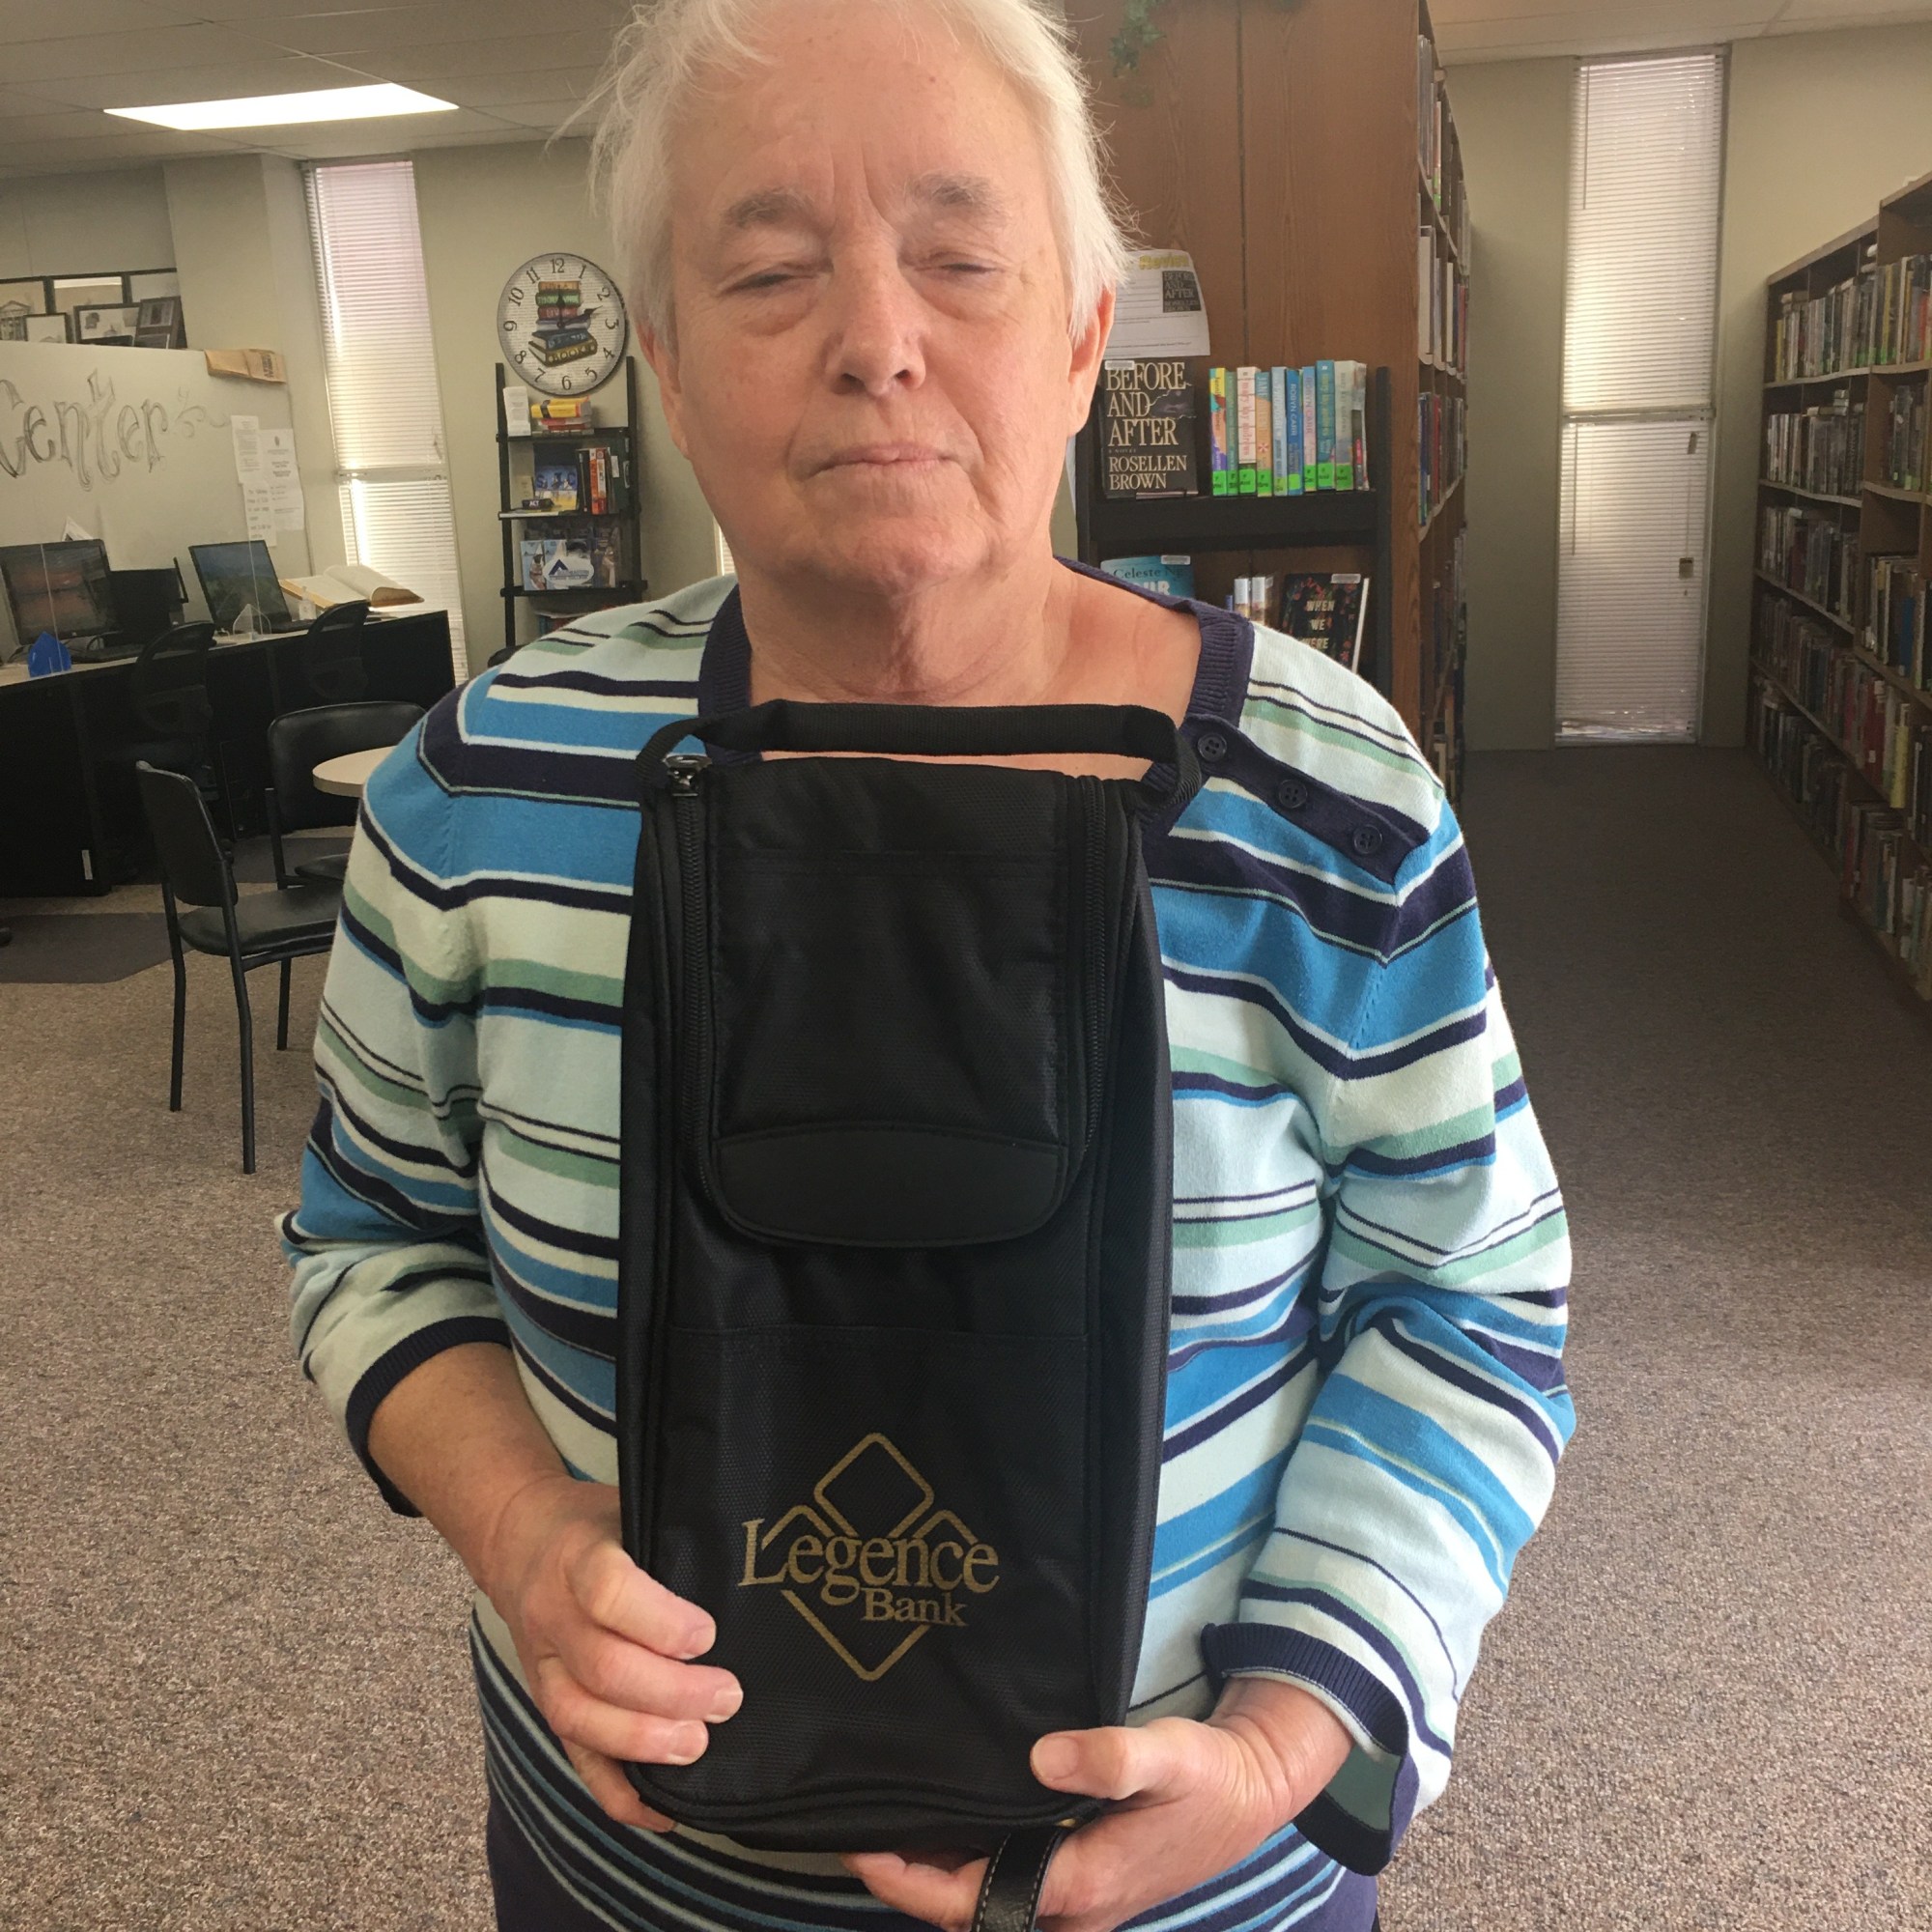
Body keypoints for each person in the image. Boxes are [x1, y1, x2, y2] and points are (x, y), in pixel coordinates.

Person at [283, 2, 1574, 1928]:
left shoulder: (1328, 800)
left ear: (1083, 335)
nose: (877, 340)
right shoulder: (481, 788)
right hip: (633, 1879)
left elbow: (1471, 1300)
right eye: (770, 271)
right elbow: (369, 1239)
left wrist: (1286, 1743)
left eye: (961, 259)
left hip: (1200, 1891)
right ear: (664, 362)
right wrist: (524, 1529)